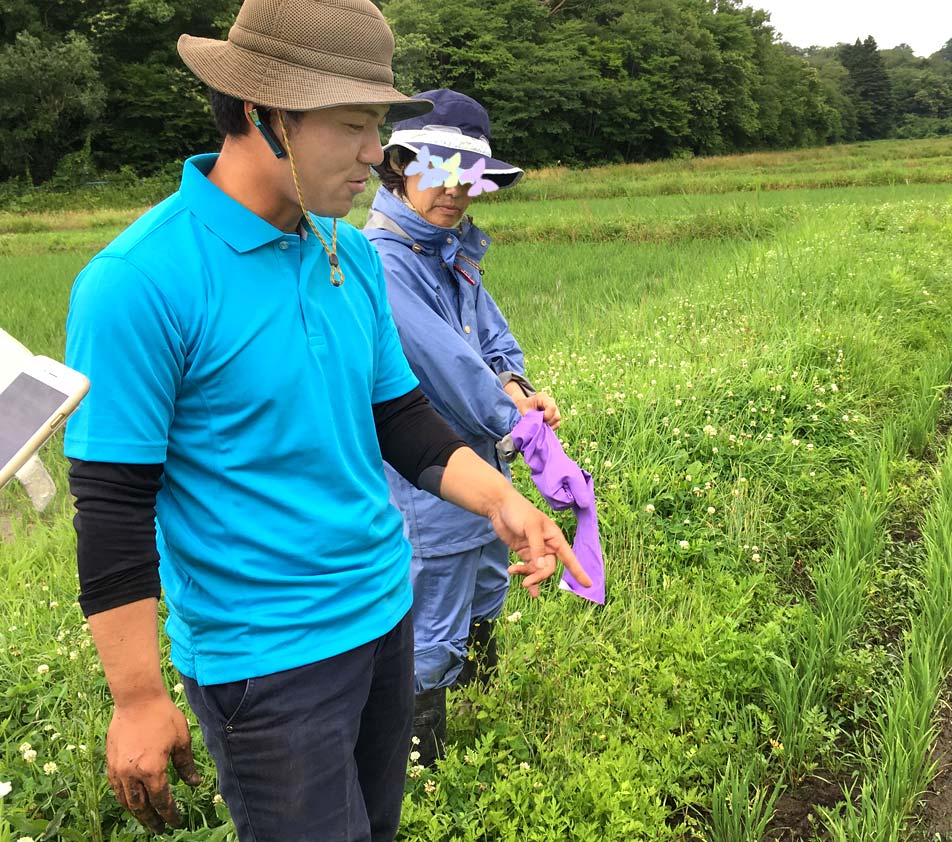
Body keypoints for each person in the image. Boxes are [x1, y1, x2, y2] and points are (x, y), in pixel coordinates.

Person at [62, 2, 590, 841]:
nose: (376, 155)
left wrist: (503, 502)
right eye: (353, 126)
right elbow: (114, 505)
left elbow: (403, 420)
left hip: (385, 615)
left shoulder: (345, 256)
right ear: (267, 116)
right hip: (267, 662)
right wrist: (136, 698)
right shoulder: (138, 282)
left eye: (377, 125)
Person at [363, 90, 560, 765]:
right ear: (396, 165)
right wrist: (522, 426)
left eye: (467, 177)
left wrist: (524, 391)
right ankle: (428, 763)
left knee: (484, 576)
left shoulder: (449, 249)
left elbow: (492, 344)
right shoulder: (386, 263)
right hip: (429, 477)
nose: (454, 191)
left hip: (482, 460)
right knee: (438, 598)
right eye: (435, 170)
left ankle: (482, 704)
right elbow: (449, 371)